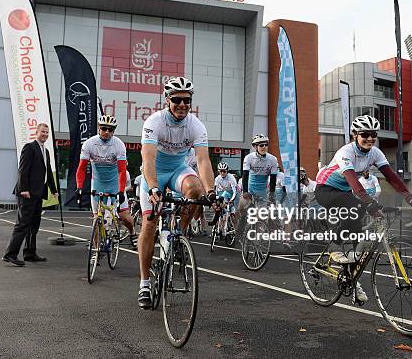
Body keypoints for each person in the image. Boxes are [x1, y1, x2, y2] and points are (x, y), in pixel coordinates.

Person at [315, 115, 412, 302]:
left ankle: (351, 280)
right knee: (357, 206)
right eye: (365, 134)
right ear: (354, 135)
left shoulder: (375, 153)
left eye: (373, 134)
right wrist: (370, 204)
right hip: (325, 189)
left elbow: (392, 178)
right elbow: (354, 182)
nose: (370, 138)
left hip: (344, 191)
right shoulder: (346, 152)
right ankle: (335, 245)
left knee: (357, 238)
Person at [137, 76, 218, 309]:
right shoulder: (155, 122)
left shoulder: (195, 125)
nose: (182, 104)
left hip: (177, 170)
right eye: (177, 100)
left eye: (187, 100)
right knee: (149, 224)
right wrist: (152, 187)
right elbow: (148, 158)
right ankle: (144, 283)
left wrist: (211, 192)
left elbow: (202, 161)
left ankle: (180, 235)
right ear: (167, 100)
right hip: (155, 173)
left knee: (195, 190)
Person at [75, 115, 138, 250]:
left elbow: (122, 171)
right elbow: (81, 168)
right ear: (99, 128)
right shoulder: (89, 144)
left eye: (110, 130)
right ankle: (96, 251)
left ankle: (132, 233)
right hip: (97, 183)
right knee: (97, 218)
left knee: (124, 217)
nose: (107, 132)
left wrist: (121, 191)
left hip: (115, 183)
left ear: (113, 131)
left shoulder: (118, 144)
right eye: (104, 128)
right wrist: (79, 187)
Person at [3, 123, 58, 266]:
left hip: (38, 194)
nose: (45, 134)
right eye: (43, 132)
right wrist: (24, 189)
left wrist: (54, 190)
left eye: (47, 132)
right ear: (36, 132)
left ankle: (30, 253)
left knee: (34, 225)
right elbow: (22, 170)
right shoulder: (29, 148)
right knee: (22, 225)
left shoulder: (45, 151)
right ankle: (10, 254)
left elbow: (48, 172)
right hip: (27, 193)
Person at [238, 134, 279, 217]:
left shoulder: (273, 159)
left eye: (266, 145)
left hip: (262, 190)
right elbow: (245, 175)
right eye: (261, 145)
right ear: (255, 147)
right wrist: (245, 192)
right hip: (250, 188)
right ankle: (240, 229)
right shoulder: (249, 158)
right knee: (242, 209)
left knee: (262, 215)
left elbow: (273, 178)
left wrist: (271, 194)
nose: (264, 147)